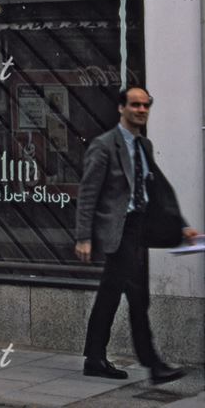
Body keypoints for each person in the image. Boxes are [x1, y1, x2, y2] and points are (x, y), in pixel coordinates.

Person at [75, 86, 199, 383]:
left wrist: (181, 224)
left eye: (146, 105)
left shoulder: (143, 145)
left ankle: (94, 358)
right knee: (137, 298)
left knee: (109, 295)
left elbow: (157, 189)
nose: (141, 110)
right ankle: (153, 365)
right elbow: (88, 194)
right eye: (135, 105)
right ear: (121, 108)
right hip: (119, 231)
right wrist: (83, 237)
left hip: (139, 231)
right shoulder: (104, 145)